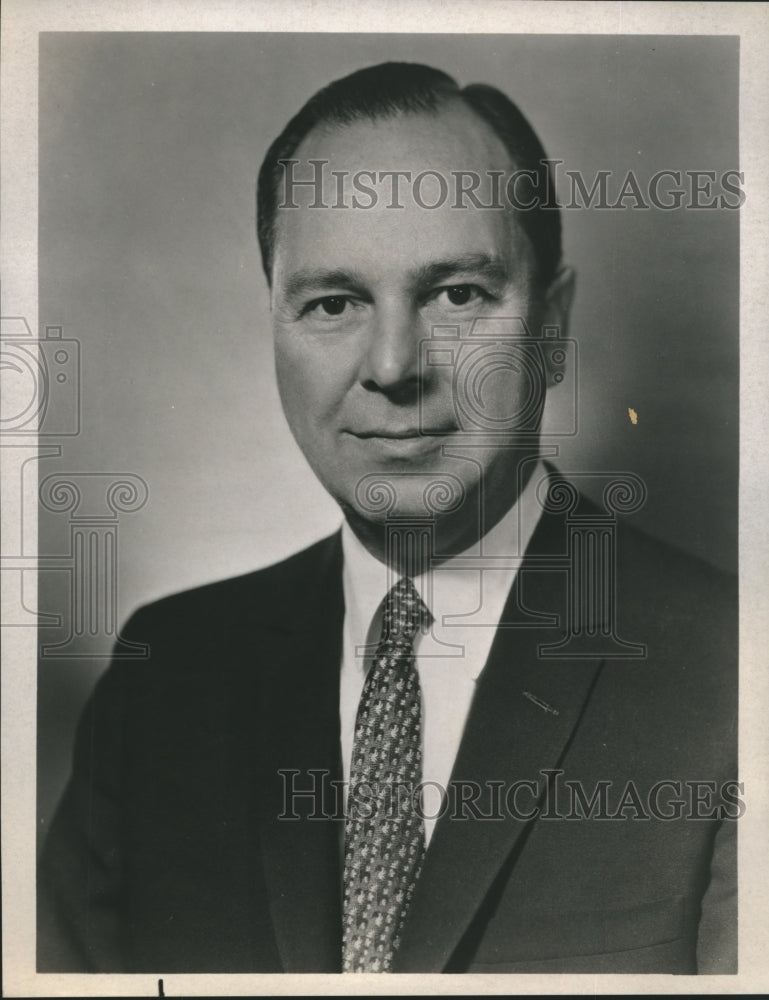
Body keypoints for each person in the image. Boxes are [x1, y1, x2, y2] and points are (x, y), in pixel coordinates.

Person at [38, 62, 737, 975]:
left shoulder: (732, 676)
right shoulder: (162, 681)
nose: (394, 364)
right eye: (334, 303)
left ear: (553, 328)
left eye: (457, 295)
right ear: (275, 330)